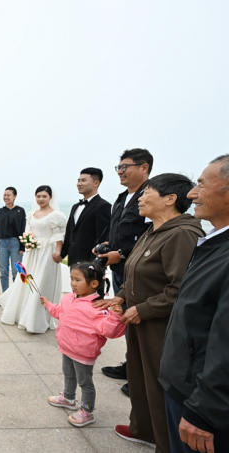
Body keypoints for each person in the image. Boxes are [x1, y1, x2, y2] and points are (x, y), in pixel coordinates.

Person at [93, 174, 204, 451]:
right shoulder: (153, 230)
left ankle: (165, 442)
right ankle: (143, 429)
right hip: (138, 320)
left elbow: (181, 288)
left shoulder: (183, 234)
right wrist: (120, 296)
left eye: (147, 193)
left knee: (158, 385)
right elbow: (135, 271)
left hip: (160, 324)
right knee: (139, 377)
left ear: (170, 199)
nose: (140, 199)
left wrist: (142, 309)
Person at [160, 156, 229, 453]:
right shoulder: (212, 242)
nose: (191, 194)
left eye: (201, 184)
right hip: (184, 385)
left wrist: (205, 409)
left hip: (200, 405)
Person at [43, 262, 126, 427]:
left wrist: (115, 316)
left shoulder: (97, 307)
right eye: (71, 279)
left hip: (83, 353)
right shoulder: (69, 298)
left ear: (94, 283)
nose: (73, 283)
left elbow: (109, 330)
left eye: (77, 280)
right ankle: (68, 398)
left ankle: (87, 412)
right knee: (68, 374)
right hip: (67, 347)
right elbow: (60, 312)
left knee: (85, 383)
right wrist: (48, 304)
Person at [99, 149, 153, 394]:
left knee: (138, 321)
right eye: (118, 167)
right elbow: (118, 230)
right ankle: (131, 365)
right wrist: (107, 245)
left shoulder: (152, 196)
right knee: (125, 317)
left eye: (125, 167)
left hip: (139, 270)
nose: (120, 172)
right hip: (120, 269)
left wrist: (120, 253)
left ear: (144, 167)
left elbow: (149, 236)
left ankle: (141, 378)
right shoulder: (122, 198)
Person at [0, 185, 67, 333]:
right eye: (38, 196)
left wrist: (58, 252)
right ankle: (24, 313)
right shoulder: (32, 214)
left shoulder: (56, 215)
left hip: (47, 252)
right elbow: (28, 232)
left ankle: (36, 320)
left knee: (41, 283)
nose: (41, 199)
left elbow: (58, 236)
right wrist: (28, 243)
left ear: (50, 197)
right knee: (27, 281)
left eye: (44, 196)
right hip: (33, 253)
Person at [61, 168, 111, 266]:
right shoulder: (75, 206)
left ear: (96, 183)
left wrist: (94, 263)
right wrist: (62, 254)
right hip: (73, 259)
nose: (79, 184)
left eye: (83, 180)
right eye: (78, 180)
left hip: (90, 262)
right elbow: (70, 233)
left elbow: (102, 237)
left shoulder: (103, 206)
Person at [0, 187, 26, 293]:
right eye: (4, 195)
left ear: (14, 196)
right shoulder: (0, 211)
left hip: (15, 243)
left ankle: (15, 297)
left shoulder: (20, 211)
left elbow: (22, 229)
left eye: (8, 195)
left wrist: (22, 247)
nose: (6, 197)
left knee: (17, 272)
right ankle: (5, 295)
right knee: (3, 272)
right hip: (2, 243)